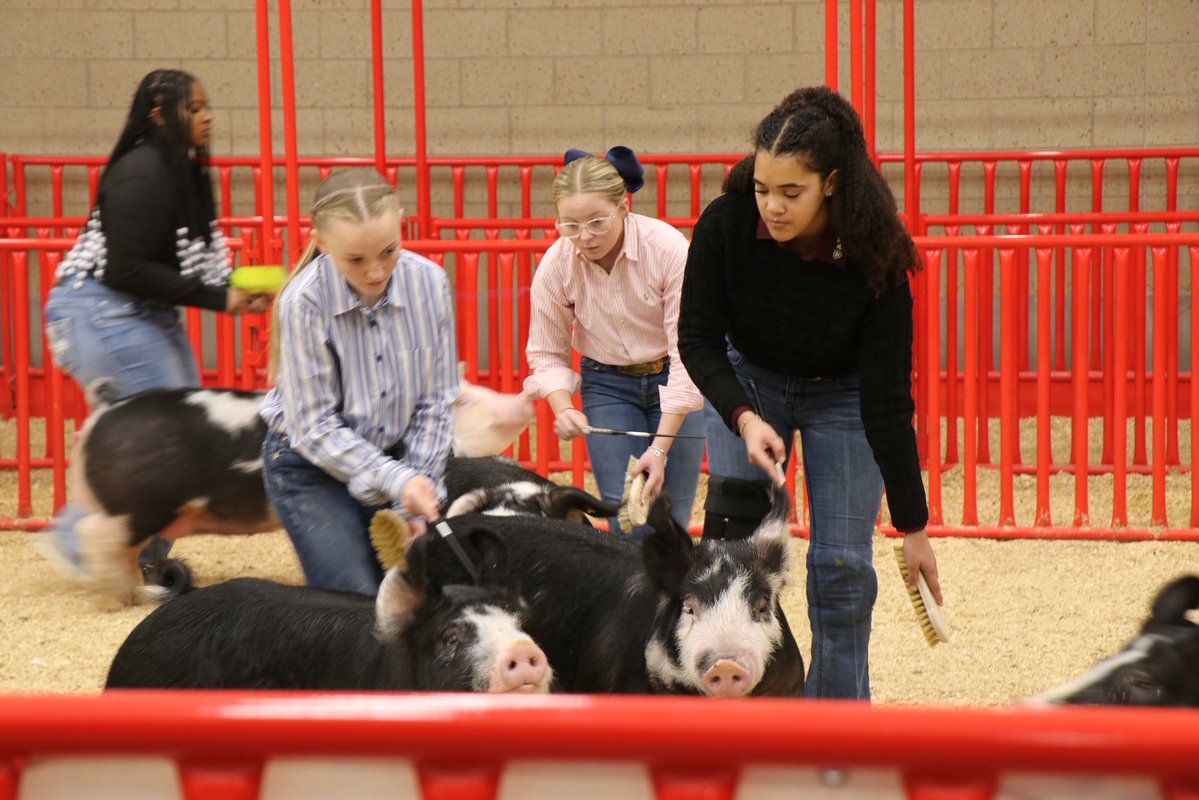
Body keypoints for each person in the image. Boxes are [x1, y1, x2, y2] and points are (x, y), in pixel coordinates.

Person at [677, 86, 942, 701]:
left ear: (831, 182)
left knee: (842, 572)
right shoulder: (726, 224)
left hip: (844, 398)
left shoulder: (878, 260)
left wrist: (914, 526)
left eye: (791, 192)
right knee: (731, 563)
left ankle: (836, 736)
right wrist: (743, 417)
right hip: (748, 381)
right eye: (763, 188)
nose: (771, 205)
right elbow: (697, 338)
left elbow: (886, 403)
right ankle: (741, 724)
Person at [38, 68, 270, 576]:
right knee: (163, 439)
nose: (207, 117)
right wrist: (220, 296)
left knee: (177, 431)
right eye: (195, 108)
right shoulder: (143, 172)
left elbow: (168, 262)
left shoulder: (175, 169)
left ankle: (103, 549)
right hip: (103, 310)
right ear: (161, 115)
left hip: (134, 312)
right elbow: (127, 267)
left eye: (208, 107)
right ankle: (101, 553)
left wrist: (232, 291)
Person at [260, 168, 458, 595]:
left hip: (402, 460)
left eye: (389, 251)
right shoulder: (304, 301)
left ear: (403, 223)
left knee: (414, 594)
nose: (375, 271)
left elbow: (437, 400)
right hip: (310, 466)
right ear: (322, 243)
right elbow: (313, 425)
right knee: (355, 599)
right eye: (355, 259)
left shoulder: (430, 283)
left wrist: (418, 486)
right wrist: (399, 482)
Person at [523, 147, 705, 539]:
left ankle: (673, 600)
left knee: (670, 516)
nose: (584, 237)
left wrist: (658, 450)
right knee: (627, 515)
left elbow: (688, 351)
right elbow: (546, 352)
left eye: (596, 222)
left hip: (675, 376)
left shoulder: (668, 250)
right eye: (569, 225)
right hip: (607, 383)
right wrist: (563, 407)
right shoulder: (557, 264)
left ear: (624, 207)